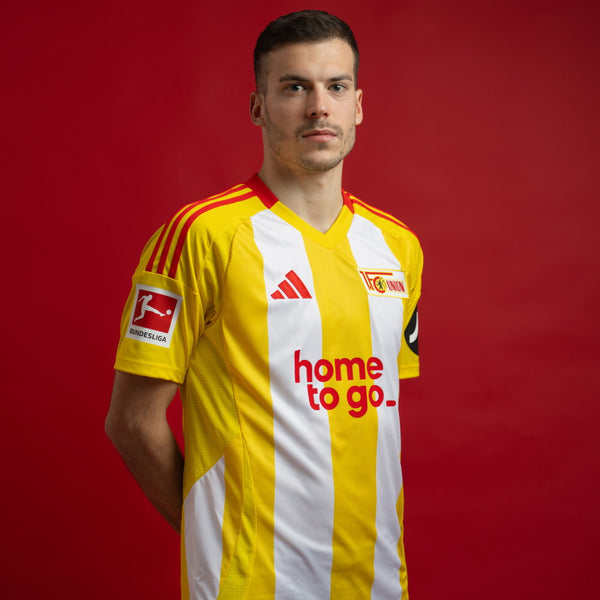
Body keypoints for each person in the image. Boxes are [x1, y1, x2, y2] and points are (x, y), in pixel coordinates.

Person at [105, 9, 423, 600]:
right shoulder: (202, 235)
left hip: (378, 580)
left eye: (337, 87)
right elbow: (131, 421)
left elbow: (373, 416)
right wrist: (208, 535)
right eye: (295, 87)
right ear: (258, 107)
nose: (319, 107)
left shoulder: (398, 247)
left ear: (358, 106)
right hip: (248, 582)